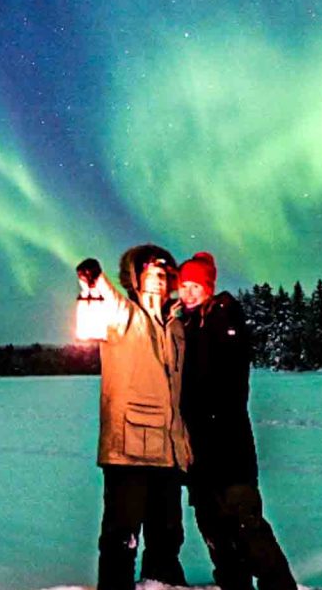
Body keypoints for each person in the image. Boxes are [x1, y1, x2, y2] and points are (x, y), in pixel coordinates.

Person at [175, 252, 298, 590]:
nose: (187, 293)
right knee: (214, 531)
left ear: (209, 288)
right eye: (182, 286)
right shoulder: (188, 323)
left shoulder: (223, 318)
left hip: (229, 449)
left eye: (194, 286)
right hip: (198, 451)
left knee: (247, 526)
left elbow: (227, 381)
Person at [77, 245, 191, 590]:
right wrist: (93, 281)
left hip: (168, 448)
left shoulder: (175, 327)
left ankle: (163, 584)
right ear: (135, 278)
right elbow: (105, 297)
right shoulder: (124, 314)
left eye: (163, 274)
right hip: (129, 446)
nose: (158, 280)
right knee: (121, 534)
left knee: (168, 533)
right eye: (150, 273)